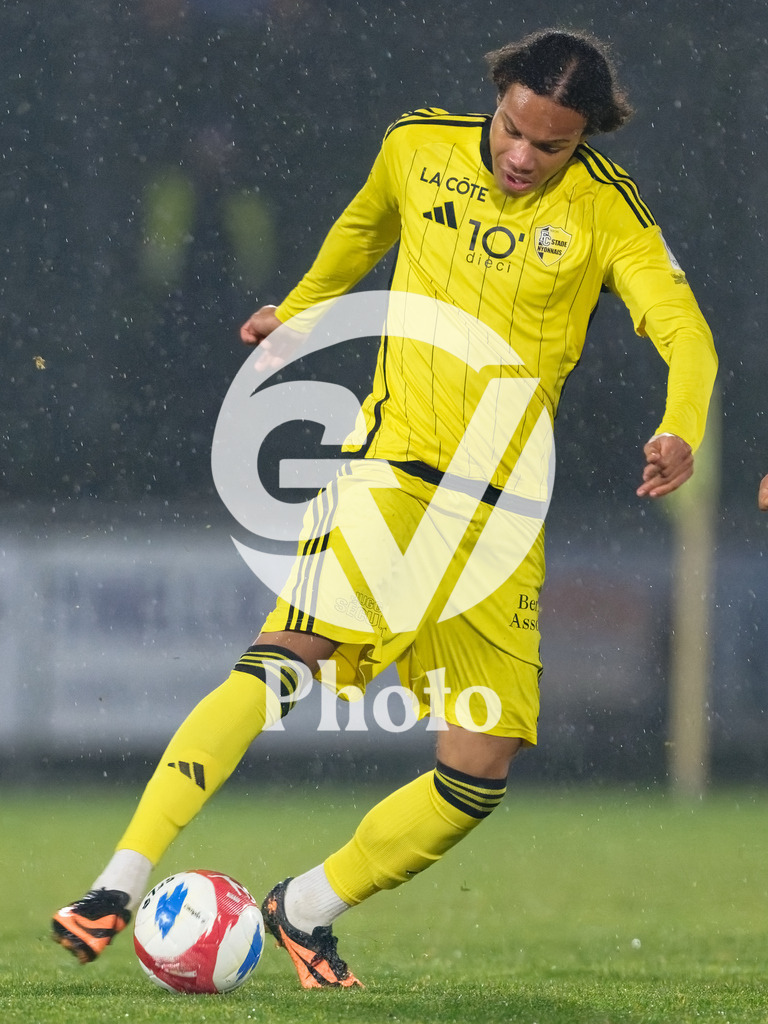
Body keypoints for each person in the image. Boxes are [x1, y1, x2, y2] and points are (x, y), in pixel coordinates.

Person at [52, 29, 718, 988]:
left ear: (586, 139)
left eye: (551, 145)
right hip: (390, 473)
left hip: (501, 518)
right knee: (286, 657)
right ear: (498, 96)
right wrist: (302, 307)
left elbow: (686, 334)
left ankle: (304, 908)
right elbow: (365, 227)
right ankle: (117, 882)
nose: (521, 155)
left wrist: (679, 426)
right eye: (513, 129)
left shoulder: (608, 211)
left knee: (478, 771)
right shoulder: (417, 146)